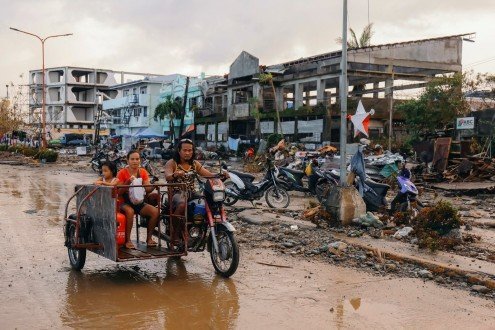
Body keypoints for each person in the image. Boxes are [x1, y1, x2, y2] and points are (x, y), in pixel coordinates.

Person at [164, 139, 226, 248]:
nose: (187, 153)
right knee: (182, 204)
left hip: (191, 192)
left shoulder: (194, 164)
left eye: (190, 150)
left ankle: (203, 227)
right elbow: (167, 176)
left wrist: (220, 175)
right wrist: (175, 175)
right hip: (176, 193)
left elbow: (208, 174)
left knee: (211, 200)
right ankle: (175, 234)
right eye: (185, 150)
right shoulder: (172, 162)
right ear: (179, 151)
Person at [117, 150, 159, 249]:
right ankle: (127, 240)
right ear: (127, 160)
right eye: (132, 159)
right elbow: (119, 192)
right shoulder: (122, 172)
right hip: (124, 202)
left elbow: (147, 188)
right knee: (130, 212)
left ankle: (149, 239)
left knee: (155, 212)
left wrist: (154, 186)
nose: (135, 161)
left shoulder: (143, 172)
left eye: (137, 159)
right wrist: (128, 181)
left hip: (139, 202)